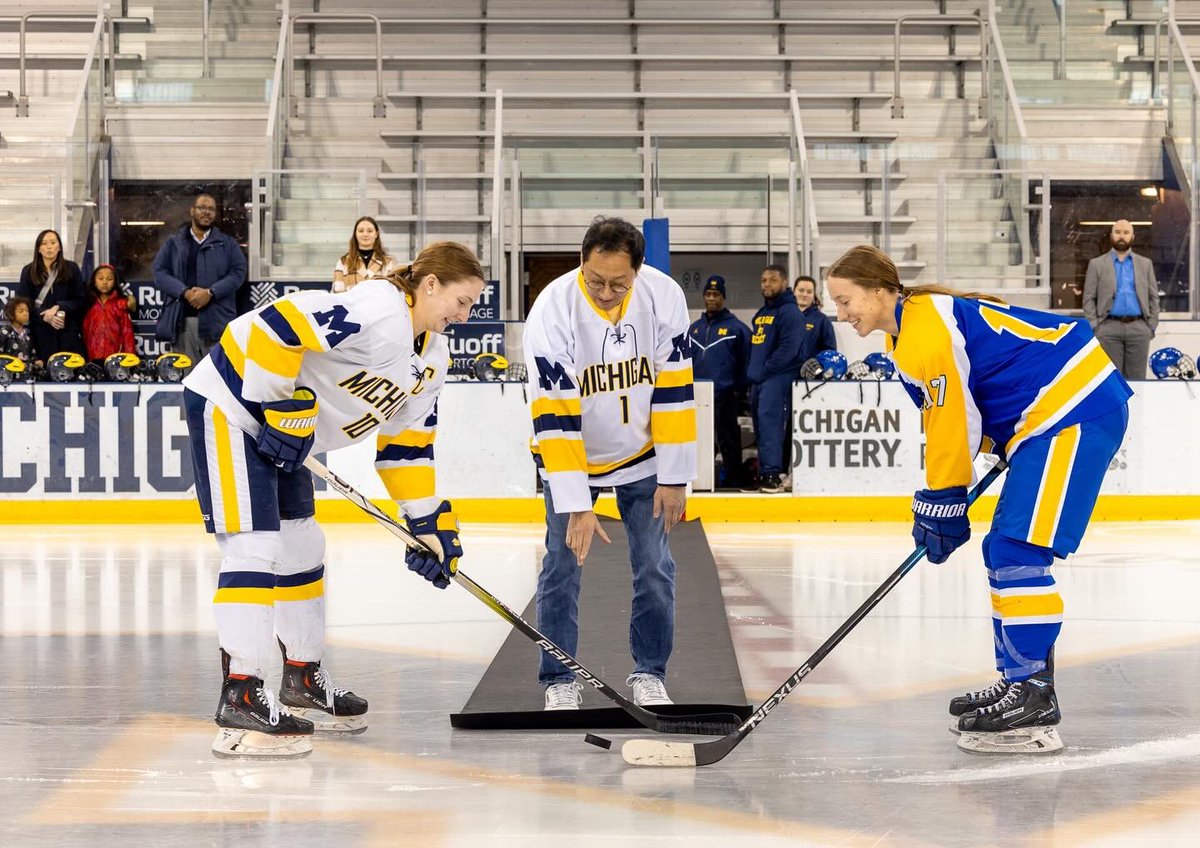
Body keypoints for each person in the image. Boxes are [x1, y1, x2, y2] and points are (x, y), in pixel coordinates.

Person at [181, 241, 486, 759]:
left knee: (303, 546)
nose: (465, 314)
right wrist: (279, 405)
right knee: (254, 547)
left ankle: (301, 676)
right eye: (461, 300)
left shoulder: (433, 357)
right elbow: (276, 326)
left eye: (472, 306)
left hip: (287, 432)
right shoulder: (379, 308)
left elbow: (406, 447)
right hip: (232, 406)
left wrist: (428, 523)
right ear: (429, 284)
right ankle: (242, 693)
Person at [826, 244, 1131, 754]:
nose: (841, 314)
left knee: (1018, 549)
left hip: (1074, 410)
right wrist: (944, 496)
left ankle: (1033, 692)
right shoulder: (906, 342)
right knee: (1003, 550)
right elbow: (958, 419)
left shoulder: (926, 325)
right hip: (1044, 422)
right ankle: (1019, 679)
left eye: (845, 299)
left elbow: (954, 423)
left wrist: (943, 497)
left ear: (880, 291)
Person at [524, 216, 695, 711]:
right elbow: (553, 415)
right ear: (582, 262)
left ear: (638, 272)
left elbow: (675, 390)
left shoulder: (664, 298)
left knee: (656, 566)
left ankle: (650, 672)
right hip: (570, 456)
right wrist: (578, 503)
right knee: (560, 565)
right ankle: (559, 677)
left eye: (618, 283)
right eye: (595, 279)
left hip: (642, 456)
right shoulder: (552, 311)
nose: (604, 291)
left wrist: (674, 475)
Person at [153, 192, 247, 363]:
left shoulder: (228, 244)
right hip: (182, 323)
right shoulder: (174, 243)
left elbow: (238, 273)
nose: (207, 212)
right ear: (192, 211)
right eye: (202, 207)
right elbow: (159, 273)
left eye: (211, 209)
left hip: (216, 322)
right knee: (187, 379)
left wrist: (211, 292)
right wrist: (185, 292)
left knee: (218, 380)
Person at [746, 264, 807, 494]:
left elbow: (788, 350)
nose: (767, 285)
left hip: (778, 378)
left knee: (772, 426)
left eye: (772, 280)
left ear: (784, 282)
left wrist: (764, 371)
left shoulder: (790, 313)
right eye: (763, 280)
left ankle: (773, 474)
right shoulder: (762, 314)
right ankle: (765, 472)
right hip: (760, 380)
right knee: (761, 428)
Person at [688, 274, 751, 489]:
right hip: (697, 396)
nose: (711, 298)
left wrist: (739, 391)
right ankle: (696, 482)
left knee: (728, 440)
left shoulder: (738, 329)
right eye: (708, 294)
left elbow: (746, 362)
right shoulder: (693, 329)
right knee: (699, 441)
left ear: (723, 298)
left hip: (726, 395)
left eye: (716, 294)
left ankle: (735, 481)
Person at [1083, 219, 1159, 380]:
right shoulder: (1096, 264)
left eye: (1126, 232)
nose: (1121, 236)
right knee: (1112, 380)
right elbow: (1088, 298)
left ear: (1133, 236)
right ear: (1111, 235)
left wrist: (1151, 326)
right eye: (1117, 232)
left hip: (1139, 329)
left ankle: (1138, 407)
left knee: (1138, 380)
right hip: (1108, 328)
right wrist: (1095, 326)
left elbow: (1153, 297)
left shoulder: (1145, 264)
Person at [15, 229, 86, 364]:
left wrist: (60, 307)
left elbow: (80, 300)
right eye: (44, 243)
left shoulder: (71, 268)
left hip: (67, 333)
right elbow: (22, 303)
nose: (49, 247)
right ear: (38, 249)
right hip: (39, 334)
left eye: (53, 242)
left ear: (59, 247)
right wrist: (44, 315)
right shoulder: (29, 271)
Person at [82, 264, 137, 364]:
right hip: (92, 357)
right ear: (94, 281)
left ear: (115, 281)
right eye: (100, 278)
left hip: (116, 358)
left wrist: (130, 359)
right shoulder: (88, 304)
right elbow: (84, 332)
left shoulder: (121, 304)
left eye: (109, 279)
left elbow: (127, 333)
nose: (104, 282)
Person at [333, 216, 397, 293]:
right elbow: (337, 293)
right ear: (355, 234)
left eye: (370, 231)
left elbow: (392, 292)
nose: (365, 234)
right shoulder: (343, 262)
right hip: (351, 304)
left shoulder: (388, 262)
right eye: (361, 231)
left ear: (376, 234)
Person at [793, 274, 837, 363]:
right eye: (801, 290)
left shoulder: (821, 320)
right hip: (784, 374)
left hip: (810, 375)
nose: (805, 294)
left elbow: (830, 351)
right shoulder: (784, 317)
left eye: (809, 292)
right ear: (794, 291)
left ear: (814, 295)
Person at [1, 296, 39, 372]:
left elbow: (32, 354)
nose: (25, 314)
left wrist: (36, 362)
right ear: (11, 314)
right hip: (8, 375)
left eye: (27, 311)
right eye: (21, 311)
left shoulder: (29, 333)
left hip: (26, 375)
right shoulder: (3, 333)